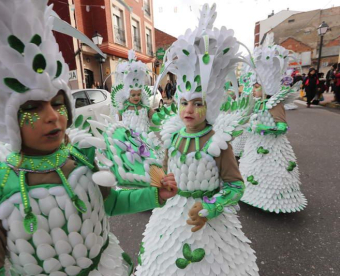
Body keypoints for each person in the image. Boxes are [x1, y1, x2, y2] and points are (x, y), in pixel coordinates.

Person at [0, 1, 179, 275]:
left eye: (57, 104)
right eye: (32, 108)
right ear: (2, 115)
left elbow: (109, 204)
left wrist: (155, 195)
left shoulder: (82, 158)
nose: (53, 117)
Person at [136, 4, 258, 275]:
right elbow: (167, 172)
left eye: (197, 103)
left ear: (211, 106)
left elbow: (235, 186)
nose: (188, 110)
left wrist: (211, 206)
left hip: (207, 221)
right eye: (183, 103)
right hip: (171, 216)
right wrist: (162, 180)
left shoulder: (218, 141)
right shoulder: (172, 135)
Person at [239, 44, 307, 214]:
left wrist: (262, 128)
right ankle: (252, 195)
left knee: (272, 173)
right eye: (254, 86)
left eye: (256, 86)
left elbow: (282, 127)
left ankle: (276, 199)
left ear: (265, 87)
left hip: (272, 147)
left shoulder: (274, 104)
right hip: (255, 145)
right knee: (253, 169)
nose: (253, 89)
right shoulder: (257, 103)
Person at [113, 50, 156, 136]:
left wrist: (161, 116)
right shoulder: (123, 109)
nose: (136, 97)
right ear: (128, 95)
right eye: (133, 95)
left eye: (138, 94)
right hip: (130, 143)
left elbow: (156, 117)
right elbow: (117, 125)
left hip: (146, 141)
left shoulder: (146, 108)